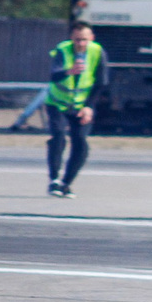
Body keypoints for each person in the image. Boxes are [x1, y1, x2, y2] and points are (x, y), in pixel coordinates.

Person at [44, 24, 102, 198]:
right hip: (58, 104)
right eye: (77, 39)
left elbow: (101, 82)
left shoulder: (97, 52)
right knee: (59, 136)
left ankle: (66, 183)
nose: (81, 43)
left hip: (80, 107)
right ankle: (54, 179)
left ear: (91, 37)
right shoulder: (63, 50)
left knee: (81, 143)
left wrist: (89, 107)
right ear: (72, 38)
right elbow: (54, 75)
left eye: (84, 39)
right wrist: (69, 71)